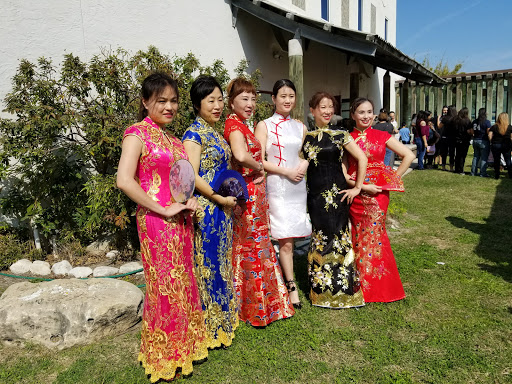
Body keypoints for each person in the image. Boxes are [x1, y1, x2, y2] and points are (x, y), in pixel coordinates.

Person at [117, 73, 207, 382]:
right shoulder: (137, 134)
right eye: (161, 101)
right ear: (145, 102)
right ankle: (163, 355)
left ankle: (185, 347)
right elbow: (124, 180)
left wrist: (189, 201)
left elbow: (182, 183)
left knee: (183, 281)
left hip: (180, 220)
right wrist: (162, 208)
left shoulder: (175, 139)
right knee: (164, 286)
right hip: (156, 221)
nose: (169, 107)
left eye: (173, 101)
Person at [224, 77, 294, 326]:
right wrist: (258, 167)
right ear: (231, 103)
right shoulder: (233, 125)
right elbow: (240, 155)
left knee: (259, 244)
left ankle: (266, 302)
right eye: (244, 99)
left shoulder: (243, 125)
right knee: (251, 246)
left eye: (253, 99)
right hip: (247, 193)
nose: (250, 103)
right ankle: (254, 306)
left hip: (255, 192)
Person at [182, 75, 239, 348]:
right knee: (207, 265)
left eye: (219, 100)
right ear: (197, 103)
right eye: (210, 101)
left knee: (221, 262)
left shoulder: (215, 132)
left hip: (223, 208)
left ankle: (225, 320)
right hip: (207, 208)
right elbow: (191, 176)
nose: (217, 106)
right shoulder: (193, 134)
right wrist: (218, 198)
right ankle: (210, 325)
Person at [302, 92, 368, 308]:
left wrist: (357, 188)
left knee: (339, 237)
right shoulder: (305, 137)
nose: (328, 110)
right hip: (315, 197)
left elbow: (361, 158)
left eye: (331, 106)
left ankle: (344, 291)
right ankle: (321, 292)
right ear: (312, 110)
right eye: (322, 106)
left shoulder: (341, 135)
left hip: (338, 196)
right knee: (320, 237)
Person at [345, 97, 415, 303]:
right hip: (355, 193)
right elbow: (343, 168)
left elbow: (408, 156)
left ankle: (379, 287)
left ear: (374, 114)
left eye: (369, 112)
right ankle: (361, 283)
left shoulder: (382, 135)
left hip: (378, 196)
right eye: (361, 112)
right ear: (353, 115)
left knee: (376, 237)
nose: (366, 116)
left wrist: (390, 181)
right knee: (356, 236)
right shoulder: (347, 138)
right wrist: (358, 185)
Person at [254, 79, 311, 308]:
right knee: (285, 239)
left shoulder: (301, 126)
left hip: (298, 186)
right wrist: (286, 172)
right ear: (274, 99)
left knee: (297, 235)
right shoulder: (264, 125)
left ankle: (297, 278)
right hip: (278, 184)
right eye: (283, 96)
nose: (287, 100)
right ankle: (291, 286)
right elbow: (259, 160)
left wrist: (303, 166)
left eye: (291, 96)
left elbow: (305, 153)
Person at [488, 112, 512, 179]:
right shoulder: (510, 127)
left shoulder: (494, 127)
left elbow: (489, 135)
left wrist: (491, 141)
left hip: (496, 144)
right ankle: (510, 174)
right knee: (508, 160)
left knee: (496, 160)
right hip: (506, 145)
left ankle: (497, 174)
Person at [470, 108, 491, 177]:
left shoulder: (475, 121)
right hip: (483, 140)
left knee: (476, 156)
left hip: (475, 139)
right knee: (484, 157)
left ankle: (473, 172)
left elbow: (472, 131)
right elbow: (488, 132)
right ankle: (483, 173)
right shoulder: (486, 122)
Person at [453, 107, 473, 175]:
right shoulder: (467, 121)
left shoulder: (456, 120)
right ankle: (461, 170)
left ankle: (456, 169)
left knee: (457, 154)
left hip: (456, 139)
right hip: (464, 139)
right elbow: (469, 131)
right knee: (462, 155)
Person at [439, 106, 457, 171]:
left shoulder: (445, 118)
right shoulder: (456, 118)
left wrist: (438, 119)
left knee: (444, 153)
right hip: (453, 137)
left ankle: (443, 166)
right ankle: (451, 167)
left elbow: (439, 126)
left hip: (445, 136)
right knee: (452, 153)